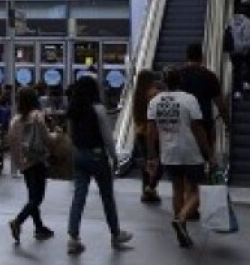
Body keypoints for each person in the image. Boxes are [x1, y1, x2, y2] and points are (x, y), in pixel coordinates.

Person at [65, 76, 132, 256]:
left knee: (79, 196)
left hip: (78, 154)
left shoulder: (73, 109)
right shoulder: (98, 109)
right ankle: (116, 234)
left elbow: (70, 134)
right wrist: (114, 157)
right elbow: (107, 138)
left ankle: (73, 238)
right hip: (97, 156)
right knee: (107, 196)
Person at [147, 68, 213, 250]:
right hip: (190, 151)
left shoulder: (155, 102)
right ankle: (181, 218)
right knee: (199, 190)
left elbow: (151, 131)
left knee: (177, 189)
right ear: (180, 81)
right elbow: (198, 129)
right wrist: (209, 153)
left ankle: (182, 229)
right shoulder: (189, 99)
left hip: (168, 152)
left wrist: (151, 155)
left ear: (164, 82)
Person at [7, 86, 57, 243]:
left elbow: (12, 143)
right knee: (37, 197)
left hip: (24, 162)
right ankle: (18, 221)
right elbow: (47, 139)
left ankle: (39, 227)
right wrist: (56, 134)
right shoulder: (37, 117)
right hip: (37, 160)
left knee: (32, 196)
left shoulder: (15, 120)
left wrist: (18, 163)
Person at [178, 43, 227, 151]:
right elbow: (220, 105)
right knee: (202, 160)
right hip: (204, 125)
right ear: (201, 56)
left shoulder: (177, 76)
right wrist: (227, 123)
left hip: (181, 126)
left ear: (186, 57)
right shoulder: (210, 76)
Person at [131, 70, 164, 204]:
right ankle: (151, 187)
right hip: (153, 132)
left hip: (139, 132)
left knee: (147, 161)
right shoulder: (154, 94)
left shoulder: (137, 95)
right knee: (161, 161)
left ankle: (146, 189)